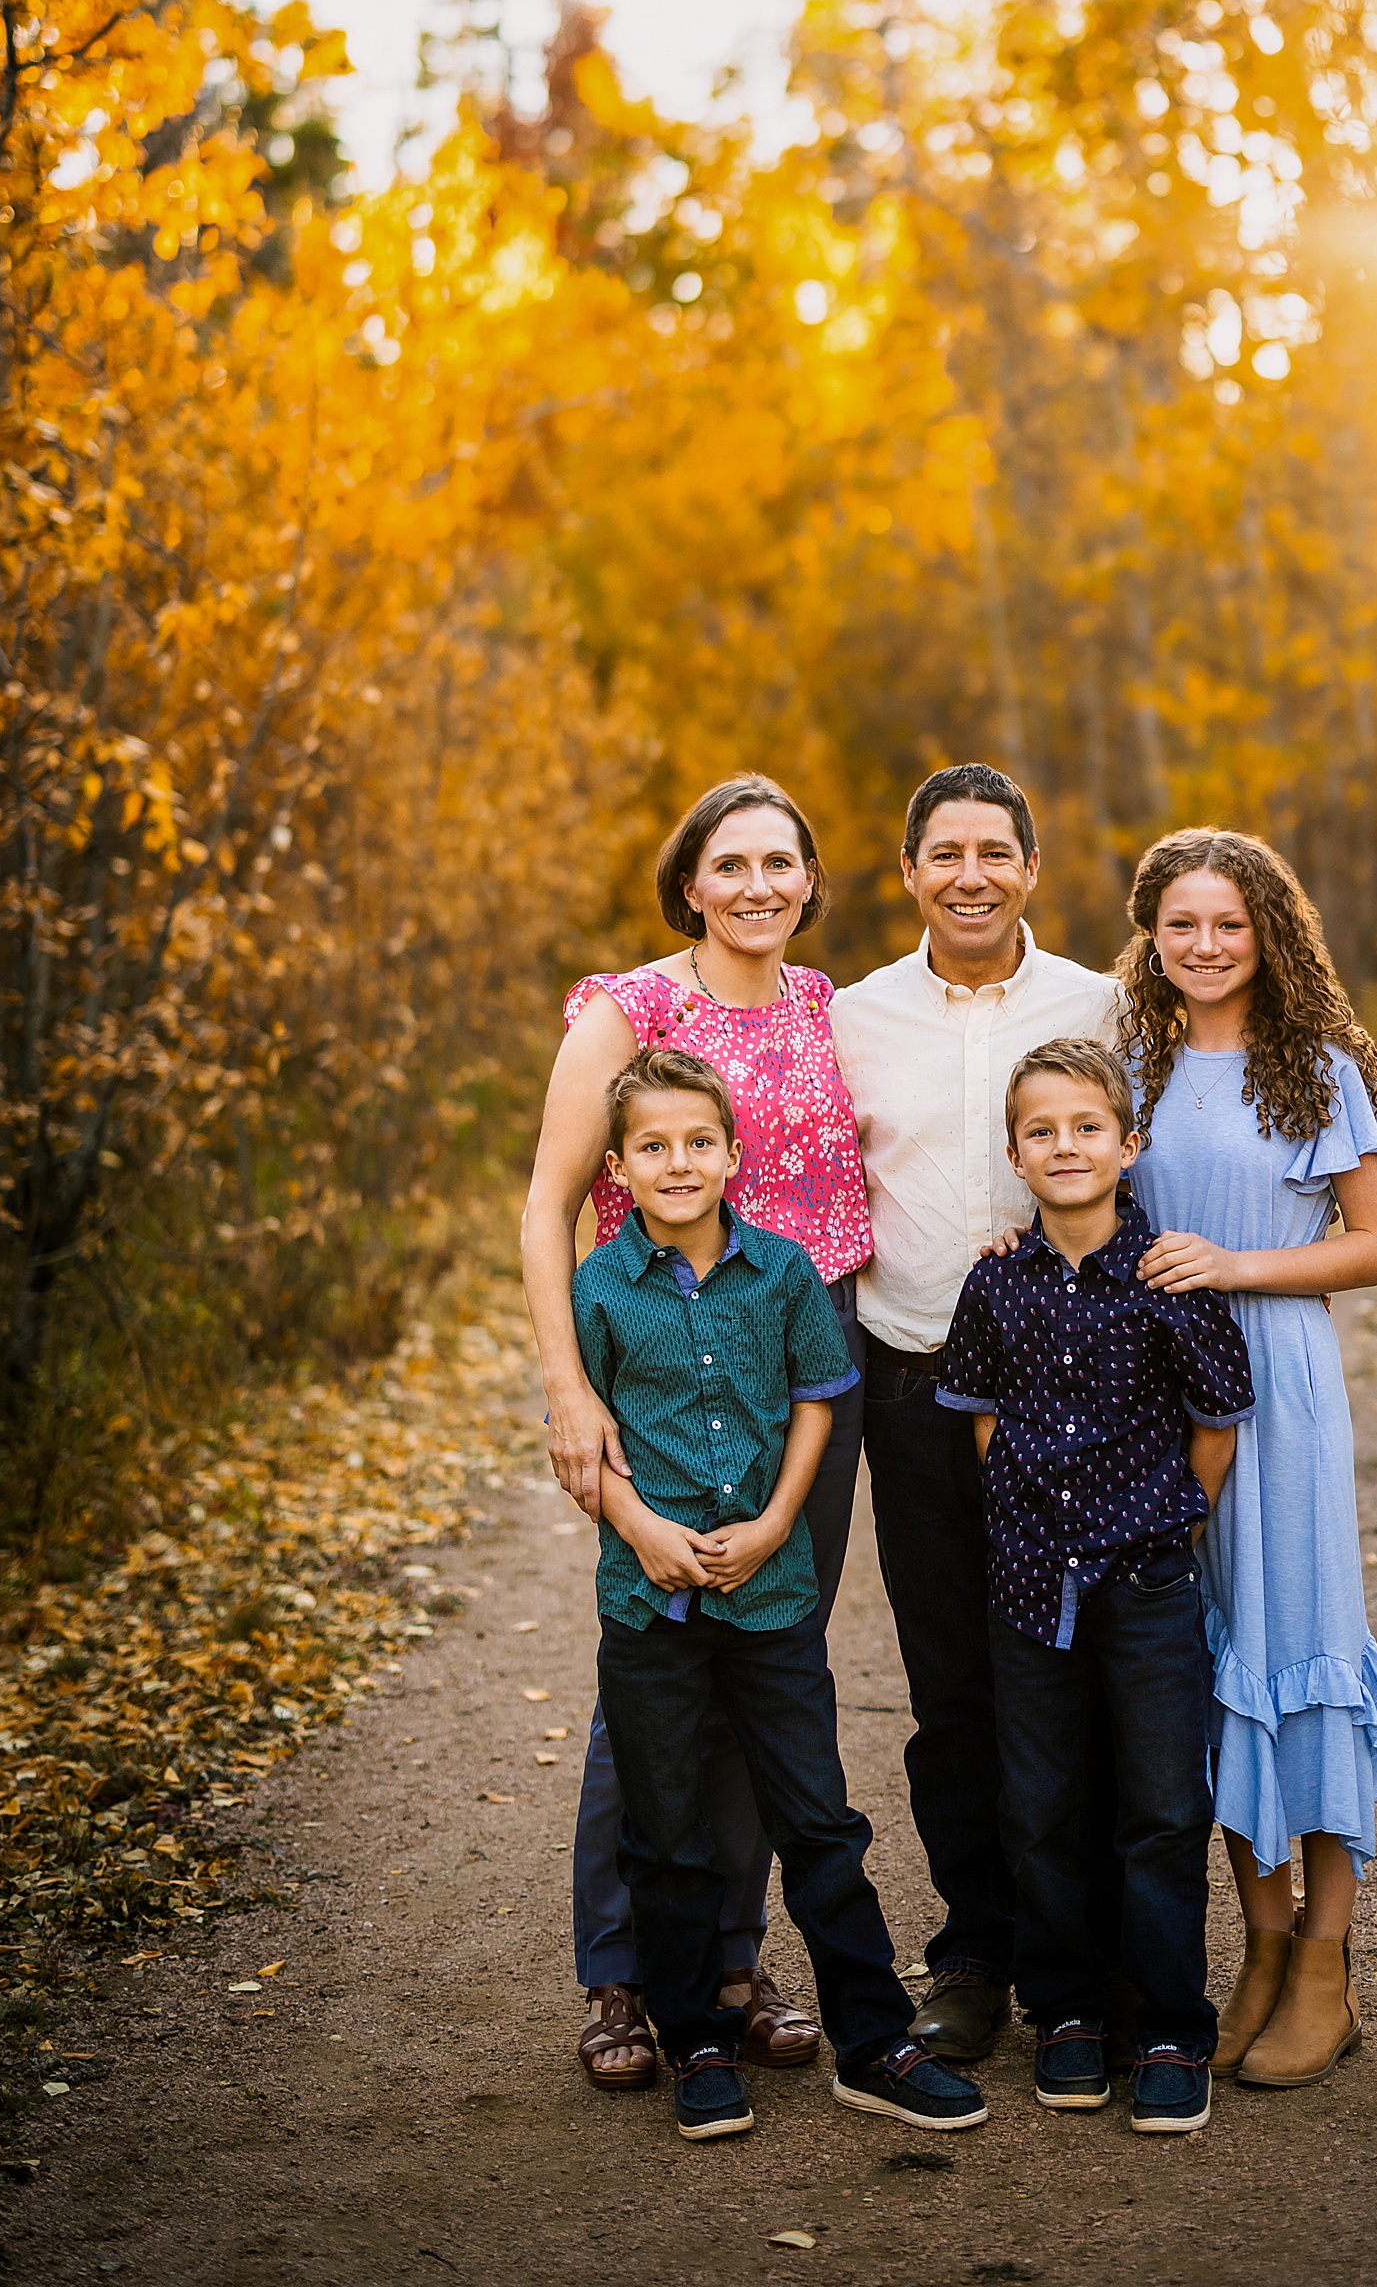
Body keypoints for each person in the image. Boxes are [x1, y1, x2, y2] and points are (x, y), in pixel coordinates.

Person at [522, 773, 871, 2089]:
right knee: (658, 1659)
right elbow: (547, 1203)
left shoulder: (827, 1006)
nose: (759, 886)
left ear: (808, 880)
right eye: (732, 865)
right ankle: (621, 1978)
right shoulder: (631, 1009)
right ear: (690, 883)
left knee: (765, 1648)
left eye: (782, 863)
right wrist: (570, 1392)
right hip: (660, 1356)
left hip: (805, 1354)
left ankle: (728, 1961)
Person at [578, 1043, 987, 2142]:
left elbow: (819, 1396)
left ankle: (872, 2037)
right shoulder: (599, 1289)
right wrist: (642, 1529)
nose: (677, 1162)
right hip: (649, 1602)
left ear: (731, 1153)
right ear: (617, 1167)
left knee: (816, 1818)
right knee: (663, 1830)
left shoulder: (784, 1272)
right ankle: (695, 2039)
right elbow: (588, 1438)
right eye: (653, 1147)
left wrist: (771, 1526)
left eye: (697, 1142)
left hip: (768, 1598)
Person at [827, 764, 1116, 2062]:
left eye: (995, 851)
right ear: (908, 873)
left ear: (1032, 868)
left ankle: (1083, 1958)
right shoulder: (854, 1017)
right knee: (952, 1684)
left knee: (1071, 1672)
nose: (971, 875)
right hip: (915, 1386)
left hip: (1074, 1393)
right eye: (944, 853)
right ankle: (974, 1955)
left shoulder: (1101, 1005)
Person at [1120, 828, 1377, 2090]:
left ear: (1266, 933)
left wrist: (1236, 1266)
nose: (1202, 947)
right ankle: (1258, 1943)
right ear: (1151, 936)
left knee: (1295, 1647)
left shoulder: (1320, 1065)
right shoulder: (1129, 1063)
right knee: (1207, 1660)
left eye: (1227, 926)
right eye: (1180, 926)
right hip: (1157, 1386)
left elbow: (1375, 1246)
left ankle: (1326, 1969)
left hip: (1279, 1381)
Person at [936, 1038, 1255, 2137]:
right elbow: (980, 1419)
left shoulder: (1169, 1277)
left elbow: (1214, 1429)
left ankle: (1168, 2026)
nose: (1063, 1146)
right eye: (1040, 1131)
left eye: (1085, 1128)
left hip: (1147, 1583)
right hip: (1029, 1589)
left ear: (1129, 1144)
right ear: (1016, 1154)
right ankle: (1063, 2011)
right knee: (1038, 1807)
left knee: (1162, 1806)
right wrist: (1039, 1519)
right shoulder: (993, 1283)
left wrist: (1164, 1520)